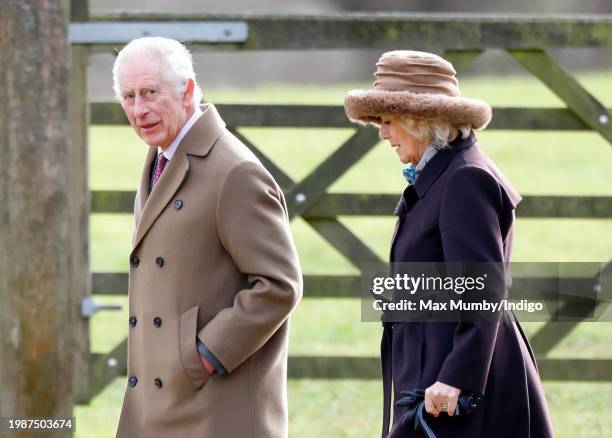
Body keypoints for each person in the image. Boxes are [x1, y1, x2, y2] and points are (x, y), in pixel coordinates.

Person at [344, 51, 554, 437]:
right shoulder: (442, 172)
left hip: (454, 380)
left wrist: (457, 377)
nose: (382, 133)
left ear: (419, 119)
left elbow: (484, 288)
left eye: (388, 121)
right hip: (434, 363)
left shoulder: (464, 178)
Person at [112, 37, 302, 437]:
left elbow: (279, 285)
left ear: (188, 90)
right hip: (161, 402)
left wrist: (205, 354)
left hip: (213, 409)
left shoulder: (234, 172)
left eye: (150, 92)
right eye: (128, 96)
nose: (139, 109)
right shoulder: (161, 156)